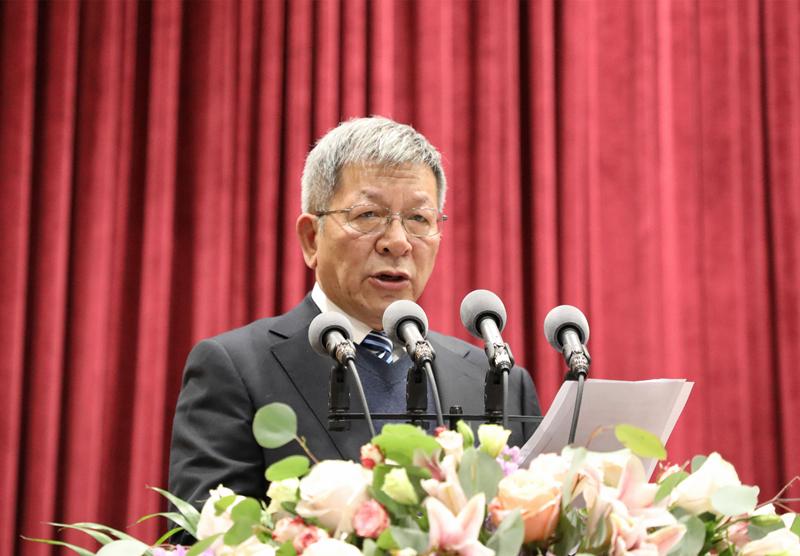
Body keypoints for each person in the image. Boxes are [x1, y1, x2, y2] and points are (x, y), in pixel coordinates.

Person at [168, 117, 541, 511]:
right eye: (368, 215)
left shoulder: (497, 380)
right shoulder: (237, 370)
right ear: (312, 239)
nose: (397, 242)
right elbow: (203, 536)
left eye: (419, 219)